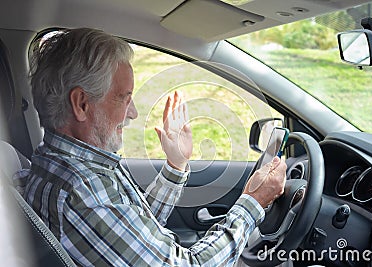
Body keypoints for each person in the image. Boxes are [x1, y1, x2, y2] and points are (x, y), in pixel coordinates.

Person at [14, 28, 287, 266]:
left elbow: (130, 233)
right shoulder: (82, 191)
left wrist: (175, 165)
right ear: (81, 104)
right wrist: (253, 202)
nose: (132, 113)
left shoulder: (66, 165)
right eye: (124, 99)